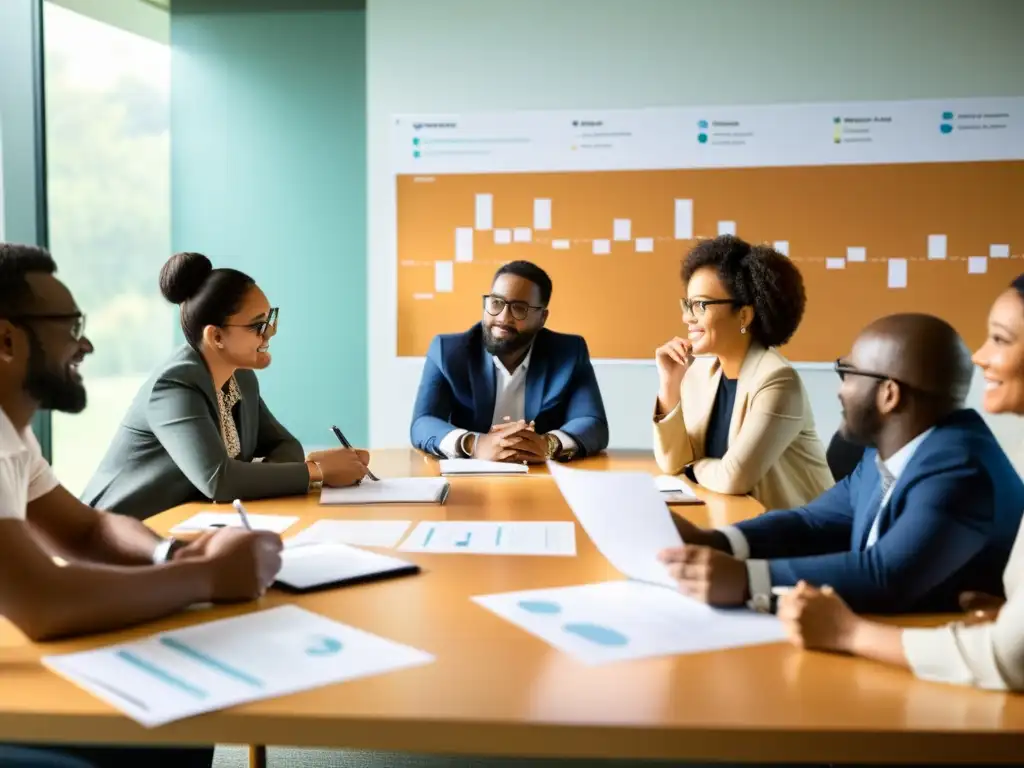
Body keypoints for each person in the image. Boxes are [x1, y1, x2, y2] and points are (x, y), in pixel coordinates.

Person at [0, 243, 283, 767]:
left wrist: (173, 558)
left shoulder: (14, 437)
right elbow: (43, 602)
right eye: (68, 324)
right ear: (7, 340)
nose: (83, 344)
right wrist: (209, 578)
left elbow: (87, 531)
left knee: (183, 714)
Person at [658, 313, 1024, 615]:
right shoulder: (887, 452)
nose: (840, 388)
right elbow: (812, 522)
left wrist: (747, 579)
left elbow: (886, 575)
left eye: (847, 372)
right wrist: (716, 541)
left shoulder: (962, 470)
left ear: (889, 394)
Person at [778, 278, 1024, 691]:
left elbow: (1010, 658)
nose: (980, 357)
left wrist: (847, 632)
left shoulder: (958, 462)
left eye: (1000, 339)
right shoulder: (883, 457)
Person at [82, 253, 370, 520]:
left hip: (188, 524)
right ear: (216, 336)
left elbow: (286, 445)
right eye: (258, 325)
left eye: (269, 319)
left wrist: (260, 479)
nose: (269, 333)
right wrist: (314, 472)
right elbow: (219, 480)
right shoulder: (174, 386)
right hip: (117, 533)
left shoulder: (241, 377)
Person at [653, 235, 832, 510]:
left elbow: (733, 478)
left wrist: (693, 467)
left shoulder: (778, 381)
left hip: (800, 533)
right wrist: (670, 383)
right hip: (735, 518)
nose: (687, 318)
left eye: (700, 305)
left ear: (744, 316)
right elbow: (671, 462)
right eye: (687, 305)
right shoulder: (701, 372)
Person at [410, 260, 608, 463]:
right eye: (496, 302)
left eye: (519, 308)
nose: (503, 318)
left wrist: (548, 444)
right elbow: (423, 423)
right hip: (470, 479)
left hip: (541, 477)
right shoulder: (448, 351)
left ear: (542, 317)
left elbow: (593, 423)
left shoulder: (568, 353)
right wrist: (474, 444)